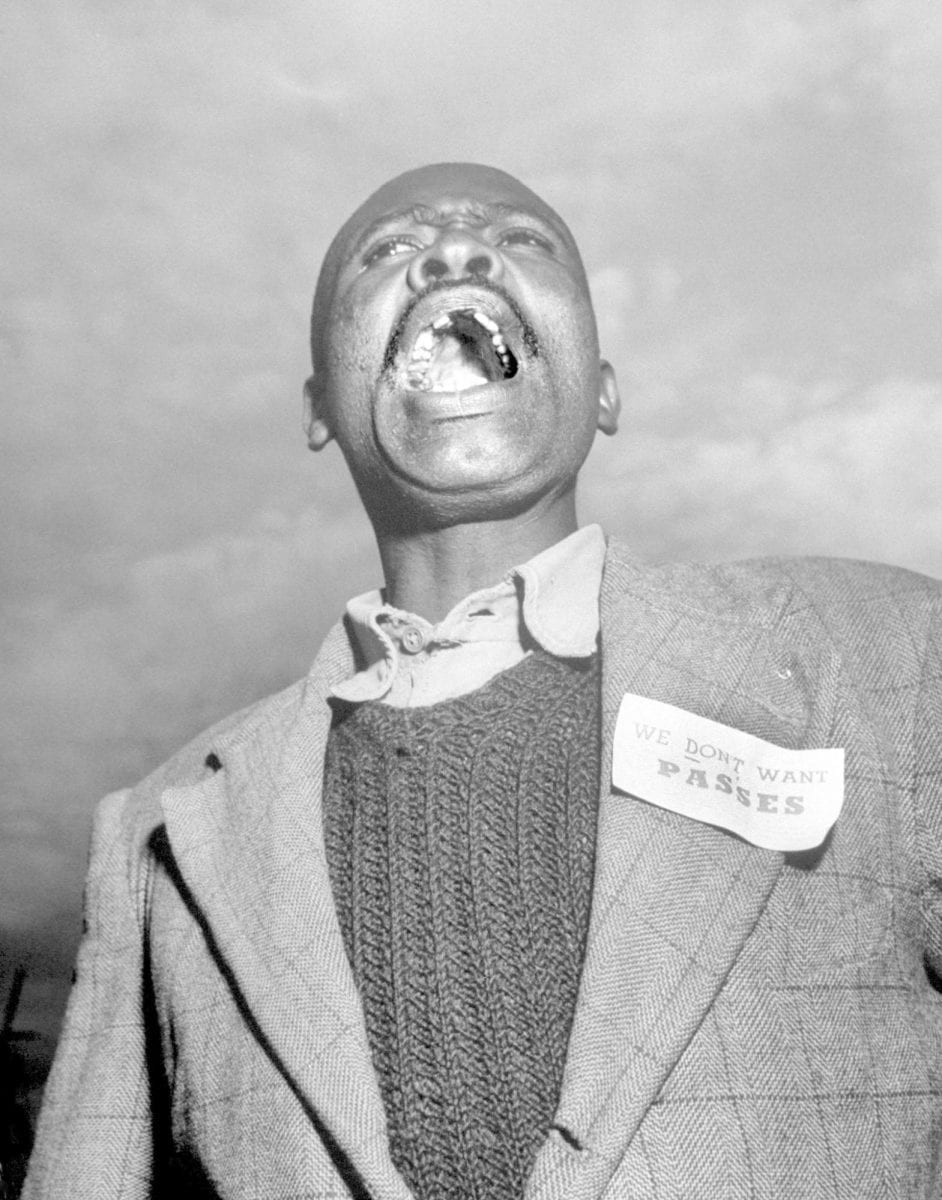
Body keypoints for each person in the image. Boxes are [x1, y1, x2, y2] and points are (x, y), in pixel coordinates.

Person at [23, 163, 942, 1200]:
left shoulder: (891, 655)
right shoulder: (160, 834)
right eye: (383, 253)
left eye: (521, 238)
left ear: (602, 388)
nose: (452, 252)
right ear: (322, 401)